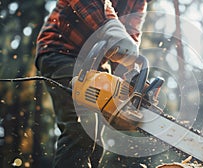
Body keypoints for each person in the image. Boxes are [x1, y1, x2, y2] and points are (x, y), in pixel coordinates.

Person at [35, 0, 151, 167]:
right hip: (62, 51)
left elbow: (129, 40)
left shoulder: (139, 2)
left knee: (95, 139)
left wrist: (133, 77)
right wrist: (110, 27)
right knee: (81, 127)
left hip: (96, 62)